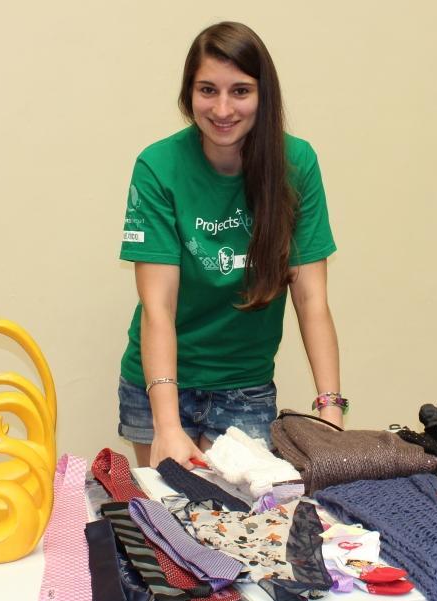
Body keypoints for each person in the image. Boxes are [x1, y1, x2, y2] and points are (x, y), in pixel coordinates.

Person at [117, 21, 345, 469]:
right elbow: (157, 305)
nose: (223, 108)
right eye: (207, 90)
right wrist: (167, 426)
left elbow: (312, 299)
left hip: (246, 385)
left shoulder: (296, 163)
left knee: (238, 524)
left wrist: (330, 411)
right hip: (162, 382)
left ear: (264, 95)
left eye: (240, 91)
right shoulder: (158, 165)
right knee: (165, 522)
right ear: (188, 95)